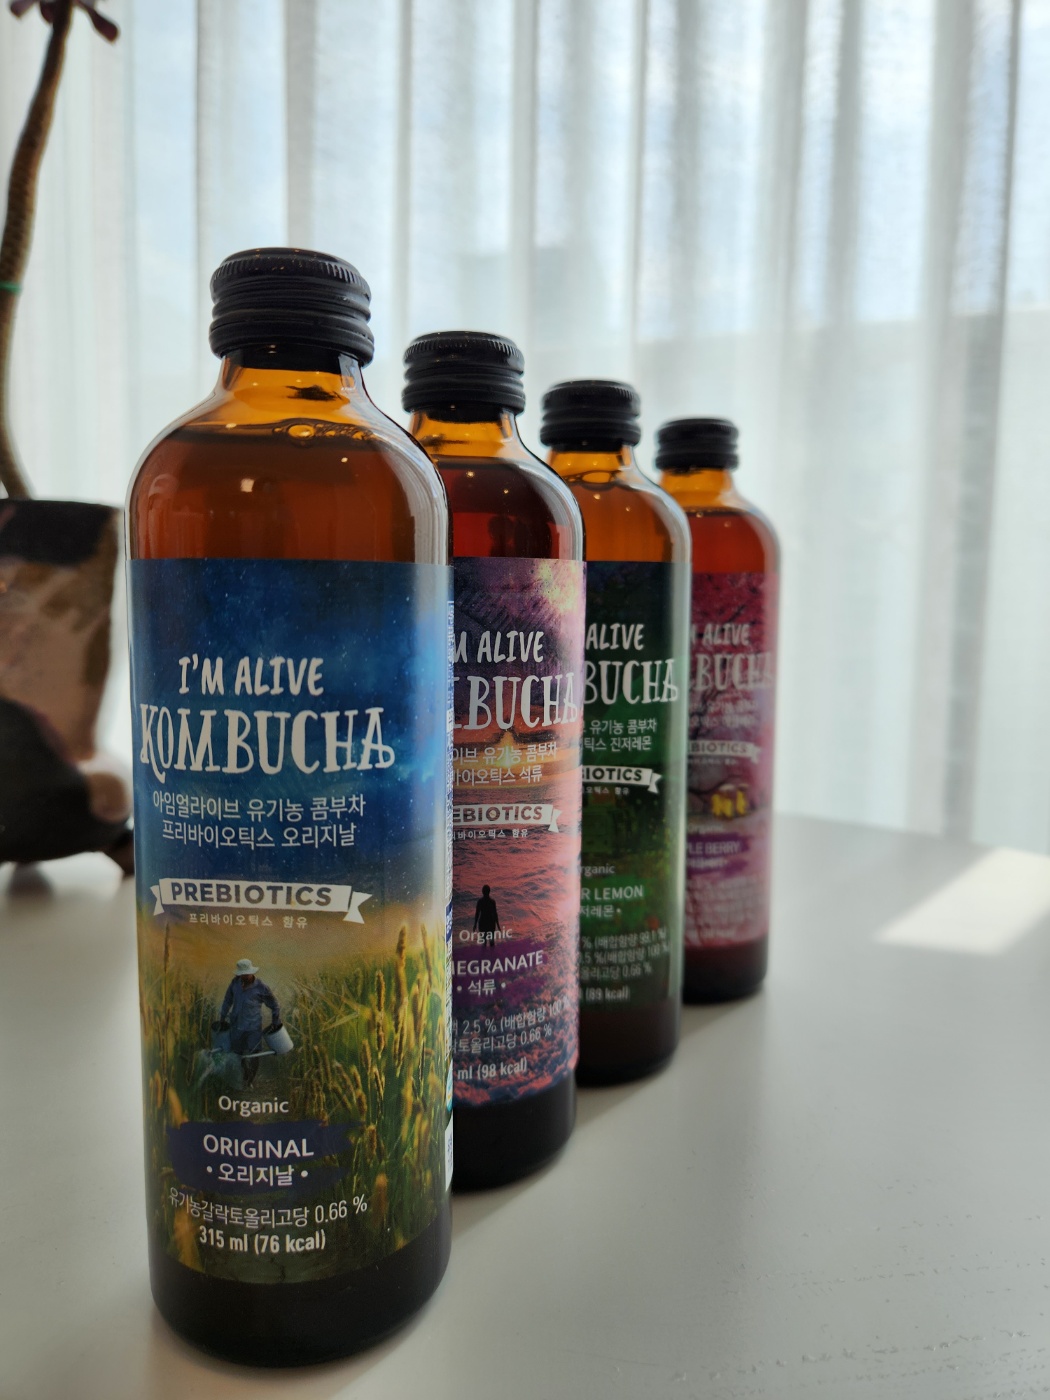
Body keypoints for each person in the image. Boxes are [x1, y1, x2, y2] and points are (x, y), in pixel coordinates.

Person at [215, 958, 282, 1087]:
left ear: (251, 972)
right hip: (236, 1025)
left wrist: (275, 1021)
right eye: (241, 974)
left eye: (246, 974)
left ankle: (250, 1080)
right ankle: (246, 1072)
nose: (243, 977)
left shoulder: (261, 987)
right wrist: (222, 1017)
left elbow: (274, 1004)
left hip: (253, 1027)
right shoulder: (235, 984)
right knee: (238, 1053)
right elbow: (227, 1000)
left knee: (254, 1052)